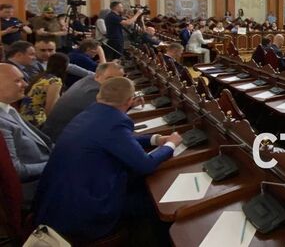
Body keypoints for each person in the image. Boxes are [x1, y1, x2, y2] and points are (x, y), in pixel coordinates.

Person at [34, 77, 181, 241]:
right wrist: (171, 144)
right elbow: (146, 165)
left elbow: (116, 140)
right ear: (129, 101)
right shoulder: (114, 123)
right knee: (154, 204)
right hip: (85, 213)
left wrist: (155, 139)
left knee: (139, 184)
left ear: (99, 95)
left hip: (58, 202)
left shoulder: (91, 113)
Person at [0, 64, 52, 203]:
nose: (25, 84)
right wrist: (54, 163)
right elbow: (15, 171)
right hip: (31, 191)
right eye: (17, 81)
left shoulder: (8, 107)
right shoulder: (1, 122)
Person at [43, 62, 125, 142]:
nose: (114, 84)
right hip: (58, 140)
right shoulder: (96, 92)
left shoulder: (88, 79)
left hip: (51, 133)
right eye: (110, 79)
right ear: (97, 76)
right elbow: (113, 119)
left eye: (118, 80)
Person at [20, 53, 68, 127]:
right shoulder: (55, 81)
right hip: (35, 121)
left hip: (24, 117)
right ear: (65, 66)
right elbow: (50, 109)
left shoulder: (41, 77)